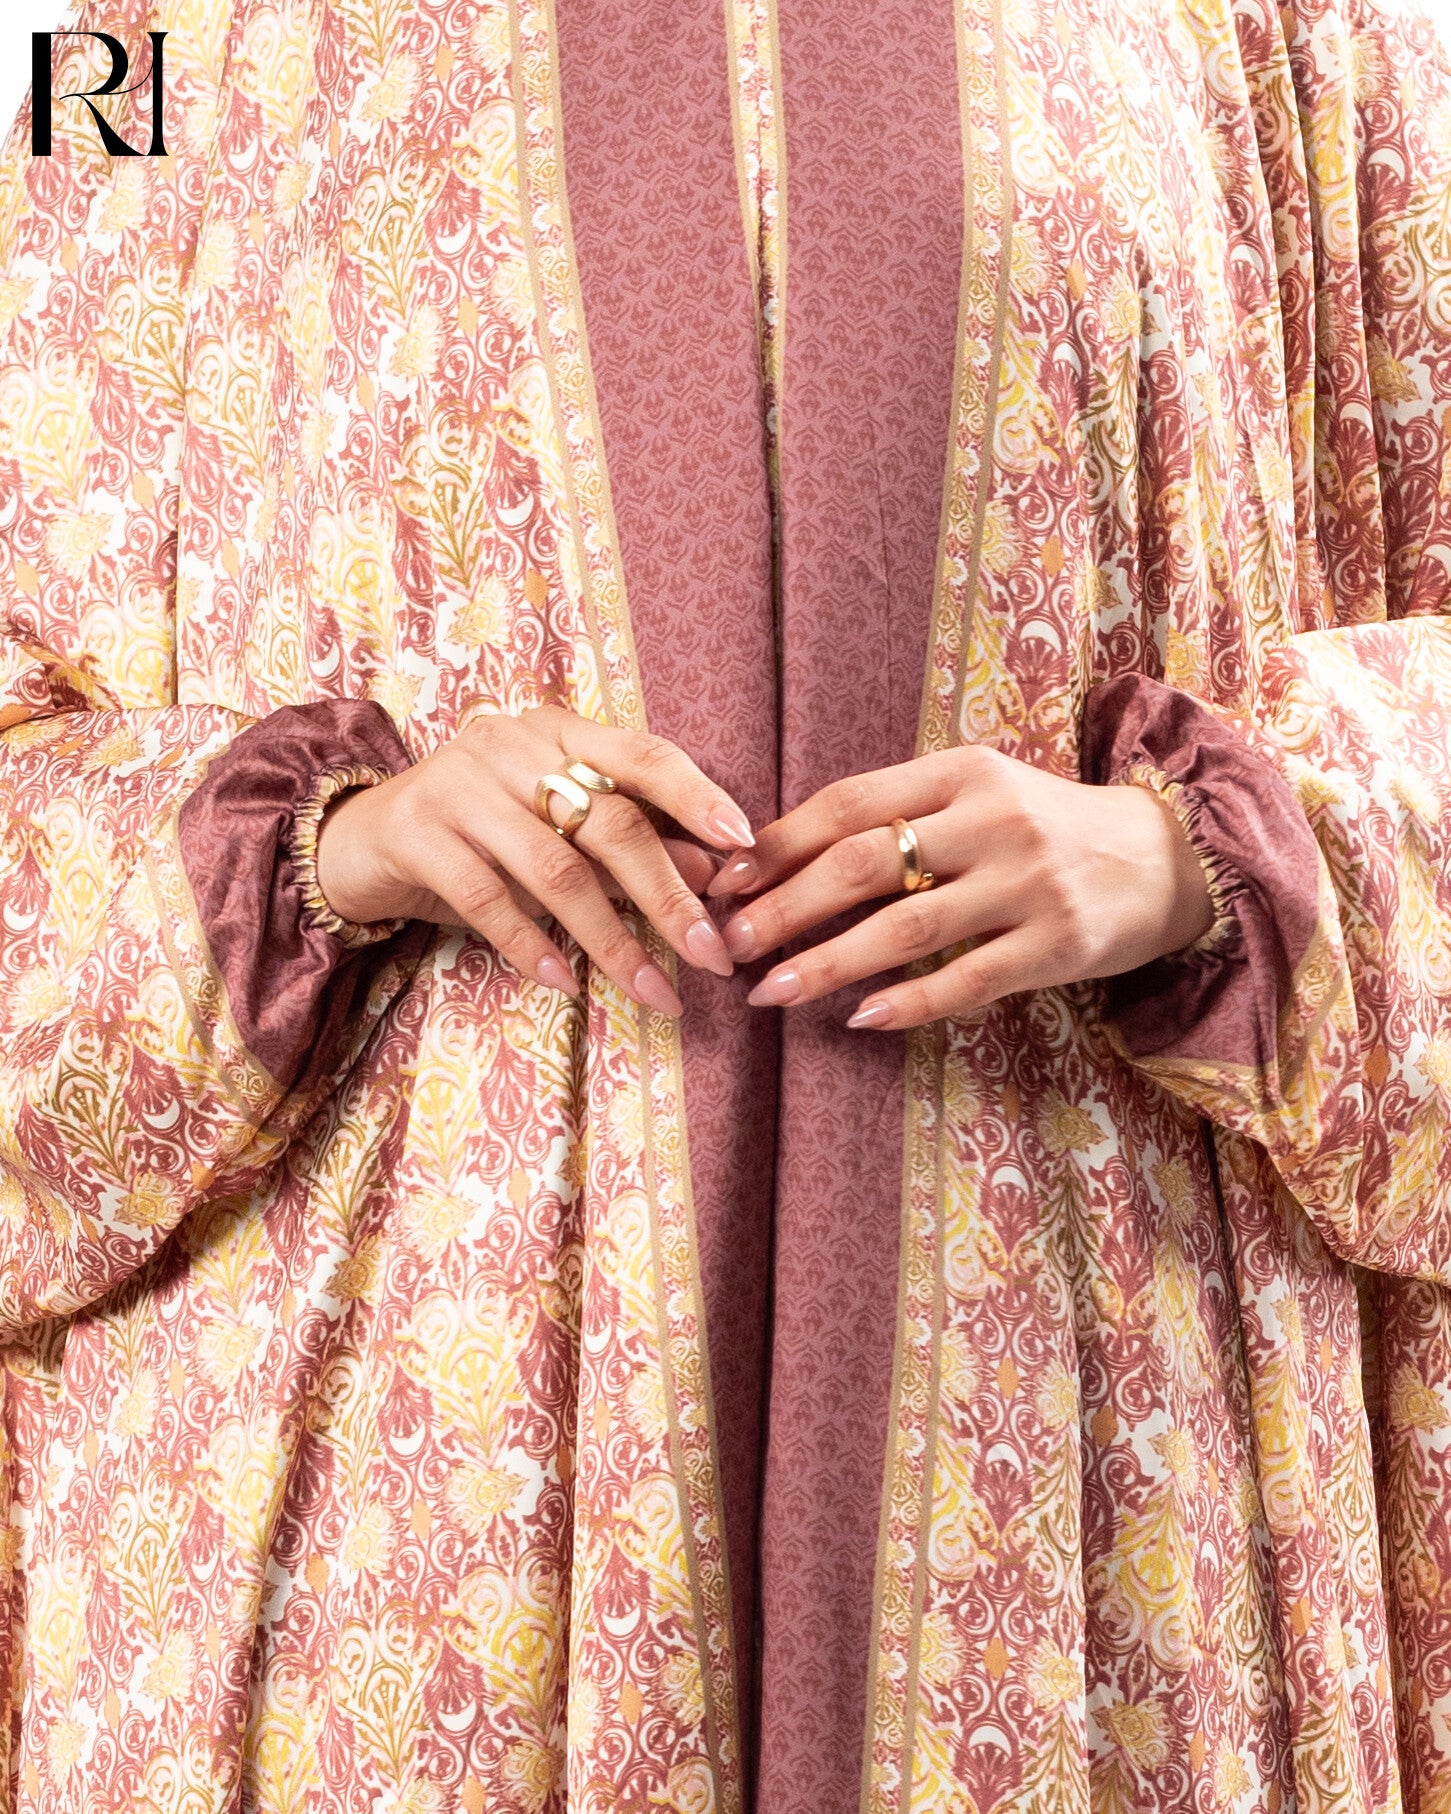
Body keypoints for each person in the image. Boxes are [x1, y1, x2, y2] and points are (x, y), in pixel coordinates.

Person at [0, 0, 1447, 1808]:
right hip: (402, 1509)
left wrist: (1192, 859)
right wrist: (337, 840)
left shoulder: (1300, 38)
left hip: (1098, 1475)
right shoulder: (123, 60)